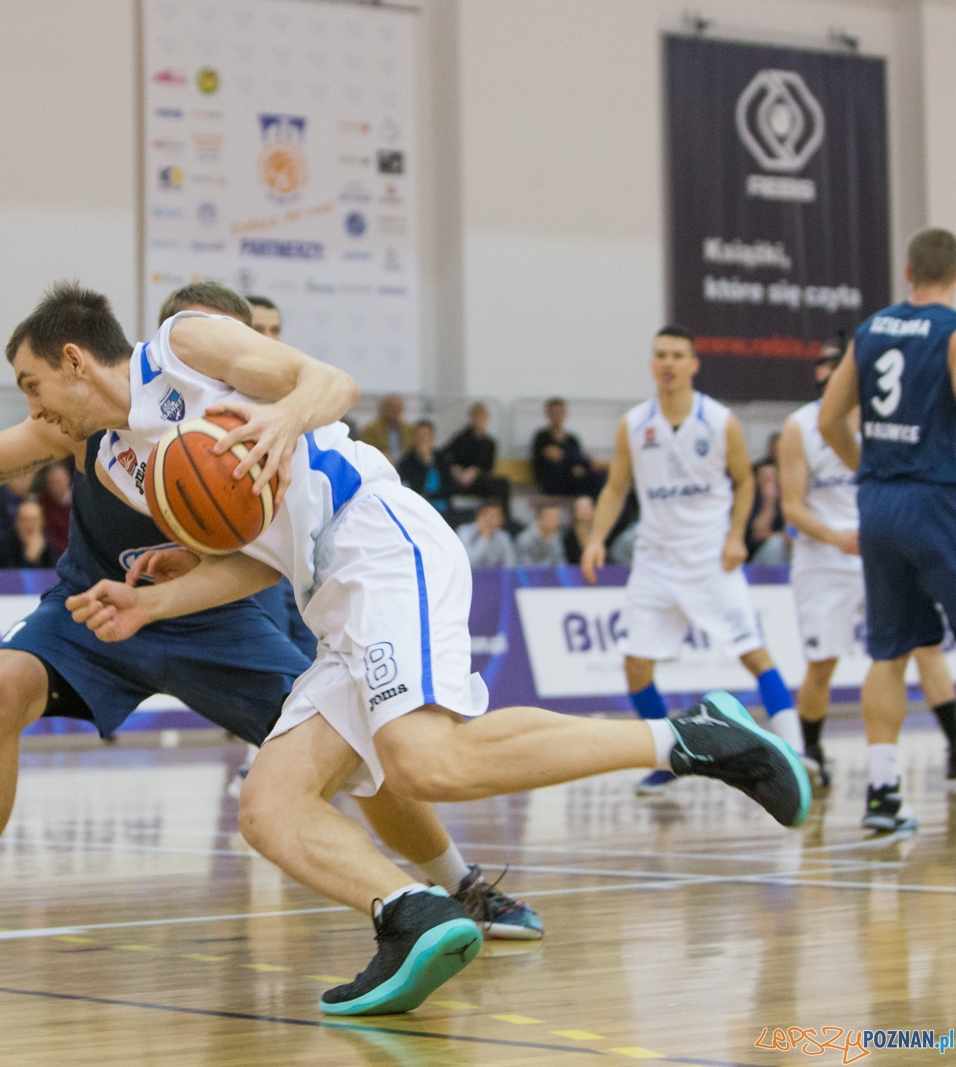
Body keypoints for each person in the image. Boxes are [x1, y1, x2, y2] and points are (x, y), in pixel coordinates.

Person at [51, 283, 807, 1016]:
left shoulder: (186, 352)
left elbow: (334, 381)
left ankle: (691, 737)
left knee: (427, 759)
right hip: (331, 593)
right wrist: (152, 598)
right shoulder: (126, 461)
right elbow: (266, 558)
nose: (33, 405)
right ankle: (413, 912)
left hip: (376, 540)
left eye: (31, 382)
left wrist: (284, 422)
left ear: (73, 359)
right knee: (269, 805)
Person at [0, 281, 544, 973]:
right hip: (98, 604)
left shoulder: (245, 429)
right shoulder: (96, 420)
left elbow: (299, 458)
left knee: (353, 749)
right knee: (1, 680)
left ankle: (460, 884)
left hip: (218, 617)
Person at [581, 326, 804, 796]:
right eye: (660, 354)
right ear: (652, 363)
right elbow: (616, 487)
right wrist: (596, 538)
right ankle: (667, 756)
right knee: (635, 667)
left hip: (710, 560)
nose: (668, 363)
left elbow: (745, 482)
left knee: (754, 653)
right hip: (656, 561)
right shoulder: (634, 424)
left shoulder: (720, 420)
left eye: (677, 355)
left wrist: (735, 537)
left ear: (693, 363)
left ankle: (797, 752)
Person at [819, 227, 956, 827]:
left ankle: (882, 796)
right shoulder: (951, 329)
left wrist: (872, 471)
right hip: (937, 498)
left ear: (908, 272)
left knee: (891, 652)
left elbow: (829, 420)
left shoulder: (872, 328)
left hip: (877, 505)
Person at [778, 340, 956, 795]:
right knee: (823, 663)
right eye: (825, 368)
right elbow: (792, 508)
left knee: (924, 649)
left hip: (883, 540)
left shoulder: (886, 422)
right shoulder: (800, 427)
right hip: (827, 557)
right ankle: (813, 751)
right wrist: (836, 537)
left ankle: (952, 745)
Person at [441, 402, 510, 513]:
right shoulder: (461, 438)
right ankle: (446, 515)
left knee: (502, 484)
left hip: (479, 480)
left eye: (482, 417)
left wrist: (475, 472)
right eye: (476, 417)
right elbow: (444, 455)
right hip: (458, 479)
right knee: (443, 483)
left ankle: (503, 518)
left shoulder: (489, 443)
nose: (479, 420)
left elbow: (489, 467)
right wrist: (455, 469)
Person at [531, 397, 605, 497]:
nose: (557, 416)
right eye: (554, 413)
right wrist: (573, 463)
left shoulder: (572, 439)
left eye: (560, 413)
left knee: (600, 475)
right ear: (548, 415)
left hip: (572, 479)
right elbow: (554, 455)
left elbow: (577, 459)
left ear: (565, 414)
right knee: (573, 468)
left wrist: (584, 462)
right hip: (552, 481)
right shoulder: (542, 437)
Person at [395, 420, 447, 513]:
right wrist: (424, 462)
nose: (422, 439)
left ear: (432, 438)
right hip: (417, 507)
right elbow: (410, 486)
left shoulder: (442, 458)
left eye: (426, 436)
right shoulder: (407, 461)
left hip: (442, 506)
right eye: (419, 435)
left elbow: (448, 487)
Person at [0, 498, 58, 569]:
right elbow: (8, 577)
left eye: (34, 520)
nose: (29, 525)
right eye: (24, 520)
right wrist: (29, 559)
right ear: (16, 522)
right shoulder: (5, 543)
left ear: (42, 522)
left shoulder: (47, 540)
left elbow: (55, 572)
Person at [456, 502, 515, 569]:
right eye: (492, 516)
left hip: (496, 576)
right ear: (480, 516)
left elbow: (510, 564)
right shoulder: (464, 531)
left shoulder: (503, 536)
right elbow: (470, 562)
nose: (498, 519)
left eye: (499, 515)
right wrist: (484, 537)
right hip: (472, 575)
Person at [359, 394, 409, 464]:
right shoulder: (371, 430)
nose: (396, 410)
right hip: (380, 464)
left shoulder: (408, 429)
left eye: (399, 407)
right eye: (392, 407)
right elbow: (365, 451)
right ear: (383, 408)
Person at [38, 460, 73, 556]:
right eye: (52, 482)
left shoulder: (79, 502)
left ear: (67, 480)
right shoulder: (42, 502)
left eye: (58, 481)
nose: (55, 486)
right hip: (51, 553)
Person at [562, 496, 595, 565]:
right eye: (581, 508)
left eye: (587, 507)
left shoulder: (599, 534)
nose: (584, 510)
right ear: (574, 511)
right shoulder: (568, 537)